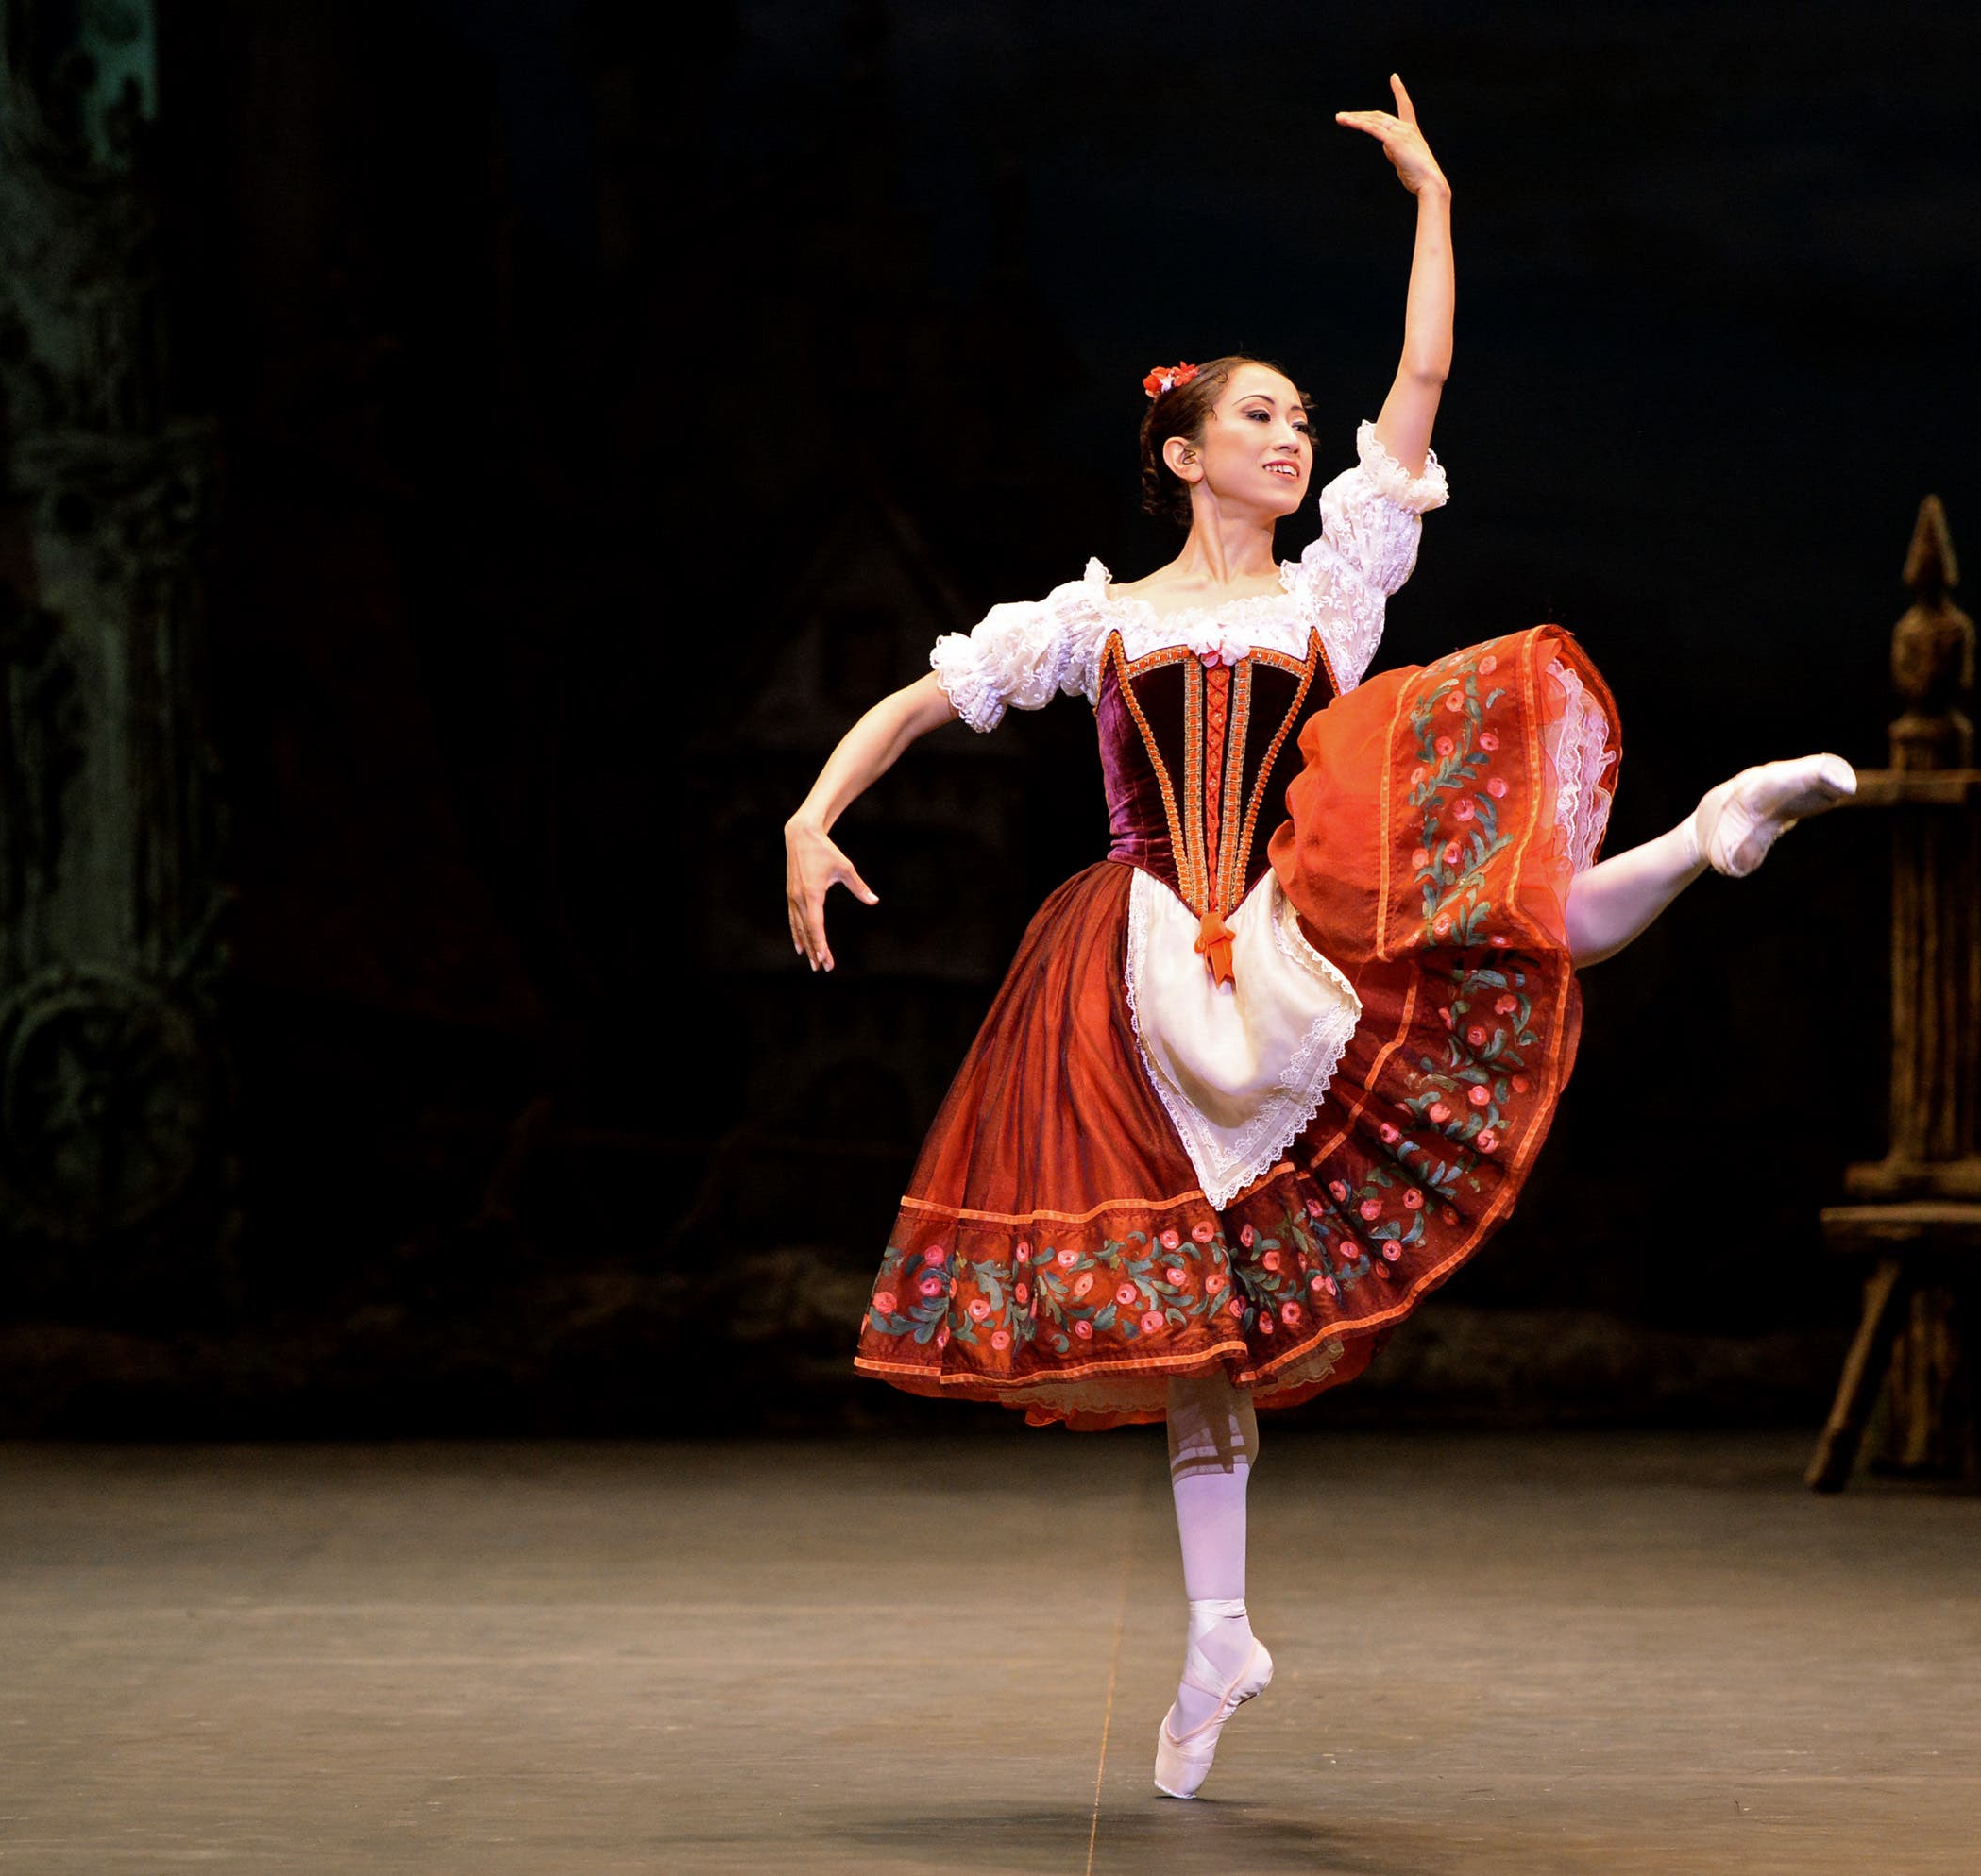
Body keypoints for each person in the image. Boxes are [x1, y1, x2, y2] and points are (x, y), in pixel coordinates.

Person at [781, 75, 1855, 1800]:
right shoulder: (1094, 619)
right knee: (1199, 1326)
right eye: (1262, 420)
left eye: (1300, 421)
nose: (1294, 439)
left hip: (1283, 922)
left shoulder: (1327, 592)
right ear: (1185, 454)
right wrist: (809, 815)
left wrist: (1432, 200)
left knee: (1505, 919)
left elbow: (1418, 391)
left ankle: (1702, 833)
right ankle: (1219, 1639)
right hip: (1132, 970)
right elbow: (920, 699)